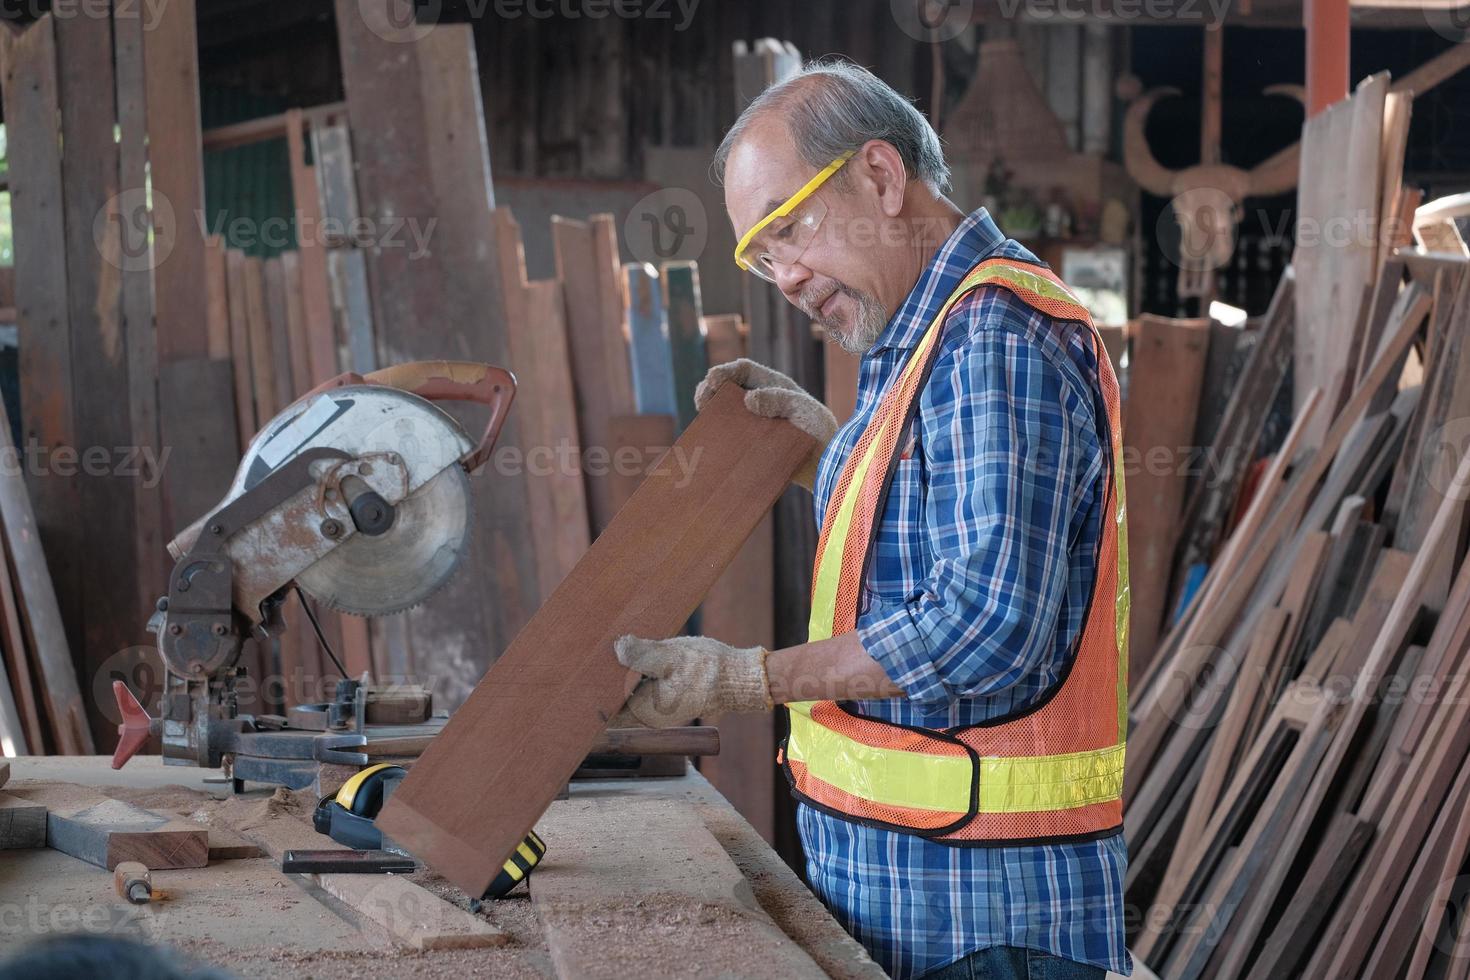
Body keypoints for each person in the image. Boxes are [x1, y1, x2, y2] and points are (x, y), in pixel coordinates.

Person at [614, 60, 1130, 980]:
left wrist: (748, 678)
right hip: (925, 886)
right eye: (762, 257)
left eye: (791, 231)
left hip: (981, 912)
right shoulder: (922, 333)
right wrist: (828, 445)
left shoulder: (993, 337)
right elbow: (927, 523)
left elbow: (986, 625)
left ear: (882, 177)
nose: (788, 278)